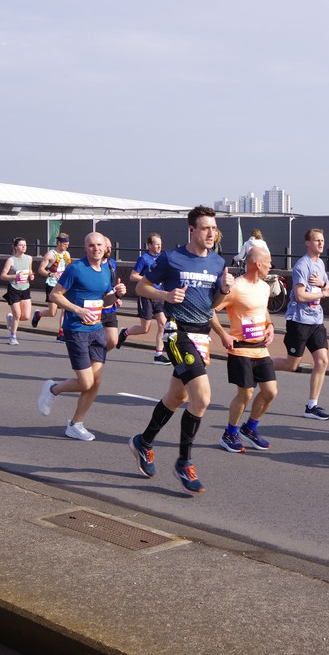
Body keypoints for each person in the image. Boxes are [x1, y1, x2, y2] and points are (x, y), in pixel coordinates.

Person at [128, 206, 234, 494]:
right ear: (191, 229)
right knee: (202, 398)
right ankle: (184, 463)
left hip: (201, 335)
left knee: (177, 397)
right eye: (205, 228)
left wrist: (224, 292)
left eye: (214, 228)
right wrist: (165, 294)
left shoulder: (217, 262)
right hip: (177, 332)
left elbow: (211, 305)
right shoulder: (171, 258)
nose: (211, 233)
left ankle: (143, 442)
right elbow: (142, 287)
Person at [36, 233, 126, 440]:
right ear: (85, 248)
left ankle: (76, 424)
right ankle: (53, 389)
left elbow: (104, 301)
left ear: (105, 247)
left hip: (97, 329)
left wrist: (116, 295)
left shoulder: (106, 269)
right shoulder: (75, 268)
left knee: (96, 381)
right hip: (76, 330)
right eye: (91, 245)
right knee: (86, 383)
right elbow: (55, 295)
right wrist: (78, 310)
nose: (96, 249)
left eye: (99, 245)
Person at [272, 228, 329, 420]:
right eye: (317, 240)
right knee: (291, 364)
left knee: (322, 361)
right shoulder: (302, 265)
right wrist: (324, 292)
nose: (321, 243)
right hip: (299, 321)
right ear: (307, 243)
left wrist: (323, 286)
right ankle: (259, 365)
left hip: (316, 321)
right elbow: (300, 295)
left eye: (322, 240)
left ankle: (311, 406)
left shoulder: (321, 264)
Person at [215, 245, 277, 452]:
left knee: (270, 392)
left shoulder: (265, 287)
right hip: (240, 348)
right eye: (268, 263)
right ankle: (229, 434)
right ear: (258, 264)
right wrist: (223, 334)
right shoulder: (236, 287)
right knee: (246, 393)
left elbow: (263, 310)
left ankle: (249, 429)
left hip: (261, 348)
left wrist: (270, 326)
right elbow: (210, 309)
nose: (271, 266)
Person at [119, 233, 170, 362]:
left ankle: (158, 355)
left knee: (162, 324)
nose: (159, 247)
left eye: (160, 244)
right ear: (149, 245)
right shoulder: (144, 258)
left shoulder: (163, 258)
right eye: (156, 244)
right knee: (145, 328)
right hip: (145, 295)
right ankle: (125, 333)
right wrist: (148, 279)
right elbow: (133, 276)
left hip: (159, 295)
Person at [31, 234, 71, 328]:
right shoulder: (50, 254)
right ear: (59, 243)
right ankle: (38, 314)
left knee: (65, 309)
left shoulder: (67, 254)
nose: (67, 246)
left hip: (64, 284)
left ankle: (61, 331)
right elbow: (41, 270)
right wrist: (50, 274)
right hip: (52, 284)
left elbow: (69, 268)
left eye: (68, 244)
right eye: (65, 244)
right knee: (52, 312)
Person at [0, 237, 34, 346]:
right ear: (15, 247)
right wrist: (15, 276)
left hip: (25, 288)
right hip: (14, 289)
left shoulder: (29, 258)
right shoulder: (11, 260)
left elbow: (30, 271)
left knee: (26, 316)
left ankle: (11, 318)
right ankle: (12, 336)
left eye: (25, 245)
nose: (24, 247)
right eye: (21, 245)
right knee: (18, 315)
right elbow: (3, 276)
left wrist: (31, 275)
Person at [98, 235, 125, 351]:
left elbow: (112, 284)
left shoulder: (112, 263)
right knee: (95, 339)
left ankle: (97, 356)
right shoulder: (94, 264)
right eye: (106, 247)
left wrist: (117, 296)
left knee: (113, 341)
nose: (109, 249)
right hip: (97, 309)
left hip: (110, 308)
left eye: (110, 247)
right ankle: (93, 356)